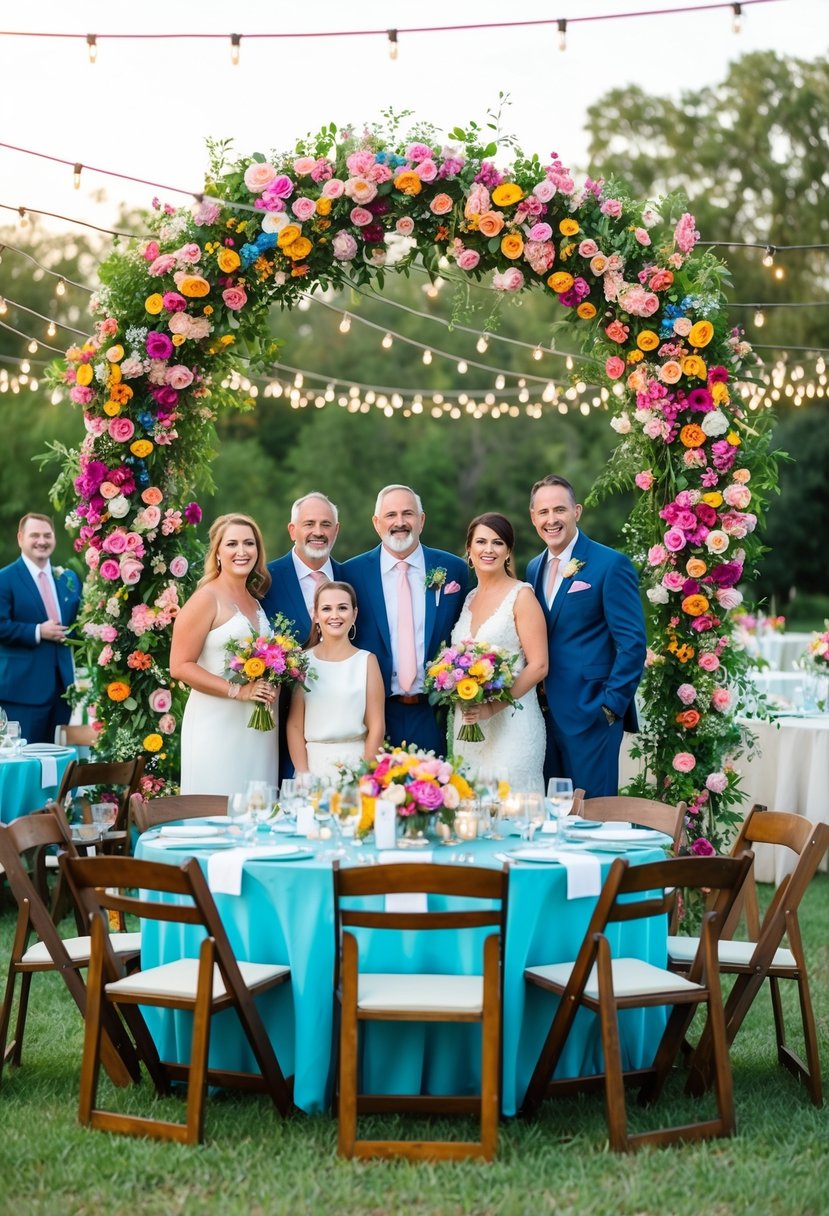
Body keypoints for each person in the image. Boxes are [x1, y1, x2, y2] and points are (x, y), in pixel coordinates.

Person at [526, 474, 646, 798]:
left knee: (595, 817)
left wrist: (610, 707)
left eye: (560, 510)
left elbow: (633, 643)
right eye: (544, 512)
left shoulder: (610, 564)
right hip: (545, 719)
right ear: (533, 517)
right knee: (553, 816)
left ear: (576, 511)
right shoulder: (533, 569)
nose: (552, 519)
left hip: (593, 716)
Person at [343, 484, 467, 756]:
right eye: (391, 515)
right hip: (373, 714)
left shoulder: (454, 569)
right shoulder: (350, 573)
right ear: (376, 523)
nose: (400, 523)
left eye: (408, 514)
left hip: (433, 712)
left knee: (438, 793)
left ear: (421, 521)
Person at [170, 513, 278, 796]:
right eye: (232, 544)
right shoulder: (206, 598)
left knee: (256, 807)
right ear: (218, 552)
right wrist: (237, 691)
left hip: (258, 729)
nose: (242, 551)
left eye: (249, 544)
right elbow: (180, 666)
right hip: (216, 724)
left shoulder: (255, 601)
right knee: (217, 809)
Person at [451, 514, 548, 792]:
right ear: (469, 549)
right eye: (481, 542)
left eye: (498, 543)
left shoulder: (522, 596)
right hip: (469, 726)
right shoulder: (469, 598)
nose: (488, 549)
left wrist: (492, 707)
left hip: (514, 725)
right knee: (472, 809)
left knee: (513, 809)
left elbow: (539, 665)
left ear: (507, 552)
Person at [260, 491, 345, 782]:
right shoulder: (264, 581)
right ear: (292, 530)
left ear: (337, 530)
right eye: (309, 524)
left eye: (325, 524)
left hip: (344, 722)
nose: (318, 532)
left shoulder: (352, 578)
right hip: (280, 725)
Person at [286, 580, 385, 782]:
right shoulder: (303, 662)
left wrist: (364, 775)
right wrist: (304, 775)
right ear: (316, 615)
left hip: (355, 763)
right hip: (313, 765)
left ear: (354, 614)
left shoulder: (367, 661)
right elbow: (295, 726)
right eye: (326, 608)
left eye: (342, 608)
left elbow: (377, 725)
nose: (335, 615)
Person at [0, 513, 81, 744]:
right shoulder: (4, 579)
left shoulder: (68, 579)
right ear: (20, 538)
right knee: (24, 760)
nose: (42, 541)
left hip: (62, 690)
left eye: (47, 535)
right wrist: (38, 631)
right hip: (22, 692)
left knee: (55, 764)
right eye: (34, 535)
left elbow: (78, 623)